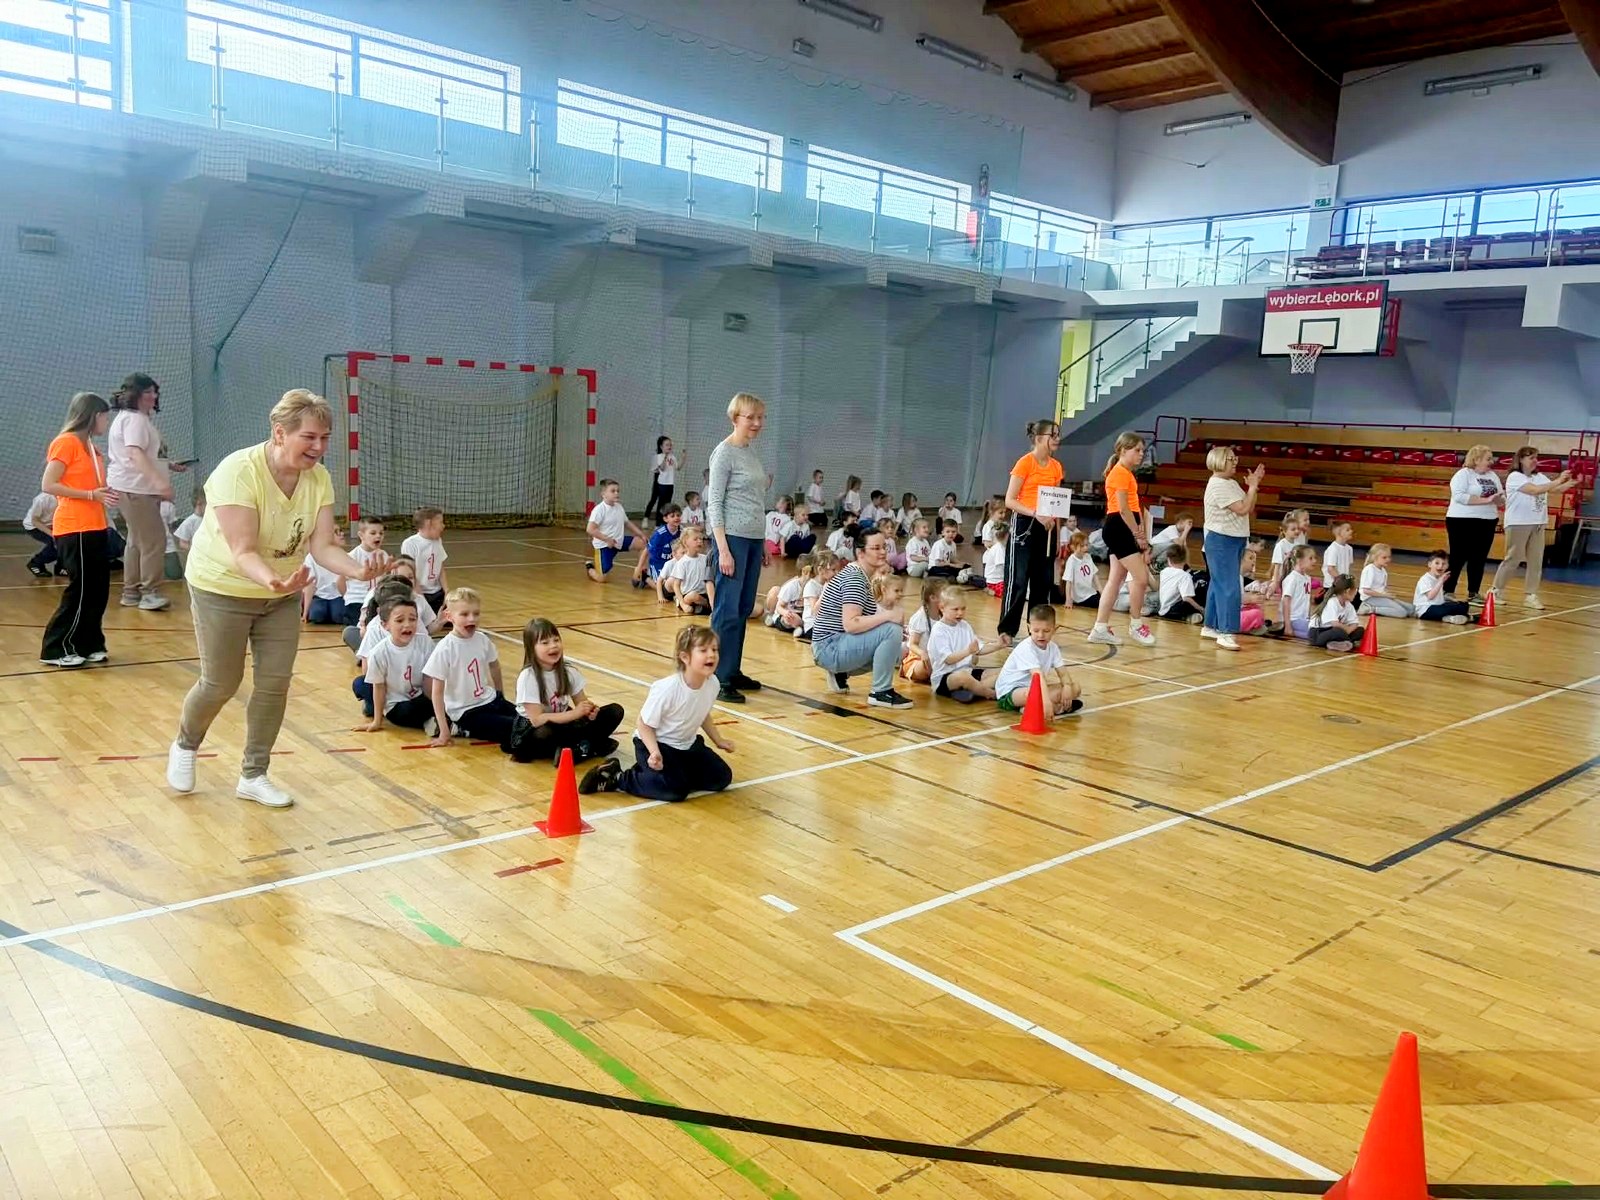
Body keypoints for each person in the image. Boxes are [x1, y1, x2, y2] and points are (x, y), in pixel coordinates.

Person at [167, 389, 389, 807]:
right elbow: (242, 551)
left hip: (281, 593)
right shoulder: (238, 471)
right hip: (223, 588)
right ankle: (185, 743)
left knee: (274, 683)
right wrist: (273, 580)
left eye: (325, 438)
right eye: (310, 437)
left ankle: (254, 774)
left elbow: (322, 546)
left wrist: (358, 570)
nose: (319, 447)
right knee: (221, 682)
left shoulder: (318, 478)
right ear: (280, 433)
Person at [578, 625, 734, 802]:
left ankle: (663, 775)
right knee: (675, 791)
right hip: (655, 744)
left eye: (714, 649)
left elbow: (702, 712)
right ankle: (618, 777)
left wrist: (719, 740)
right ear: (685, 657)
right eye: (703, 650)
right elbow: (643, 724)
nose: (711, 655)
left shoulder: (713, 683)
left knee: (721, 777)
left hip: (685, 745)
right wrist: (654, 752)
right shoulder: (668, 689)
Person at [39, 392, 117, 668]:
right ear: (93, 415)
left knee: (98, 590)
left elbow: (91, 486)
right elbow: (49, 484)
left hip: (96, 525)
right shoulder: (66, 442)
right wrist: (91, 495)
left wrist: (104, 493)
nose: (107, 422)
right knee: (81, 590)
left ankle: (88, 643)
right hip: (75, 528)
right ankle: (55, 647)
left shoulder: (92, 449)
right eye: (105, 417)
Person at [706, 392, 771, 703]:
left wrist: (763, 540)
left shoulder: (750, 452)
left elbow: (755, 500)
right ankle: (718, 677)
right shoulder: (724, 453)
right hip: (731, 538)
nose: (757, 423)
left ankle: (732, 669)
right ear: (735, 419)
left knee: (743, 608)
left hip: (753, 539)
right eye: (751, 417)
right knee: (727, 610)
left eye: (760, 417)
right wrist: (723, 549)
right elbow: (714, 503)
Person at [106, 373, 182, 611]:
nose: (153, 396)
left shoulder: (130, 418)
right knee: (154, 540)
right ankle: (149, 592)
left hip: (130, 487)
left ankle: (131, 592)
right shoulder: (135, 420)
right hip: (136, 489)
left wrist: (167, 465)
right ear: (135, 394)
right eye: (147, 392)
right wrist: (161, 484)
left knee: (136, 541)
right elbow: (134, 454)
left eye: (154, 391)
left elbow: (141, 453)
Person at [811, 528, 910, 708]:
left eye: (884, 547)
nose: (882, 552)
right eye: (876, 548)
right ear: (860, 553)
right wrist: (889, 616)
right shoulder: (855, 579)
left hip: (831, 645)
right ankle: (880, 692)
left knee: (896, 645)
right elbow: (851, 624)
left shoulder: (860, 575)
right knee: (891, 630)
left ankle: (841, 674)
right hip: (829, 648)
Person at [507, 617, 624, 765]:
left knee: (615, 711)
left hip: (564, 723)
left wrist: (590, 712)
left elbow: (582, 703)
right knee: (545, 732)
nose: (553, 646)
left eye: (556, 640)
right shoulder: (528, 677)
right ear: (531, 648)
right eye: (545, 642)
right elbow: (537, 720)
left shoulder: (568, 671)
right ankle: (587, 747)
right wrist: (574, 714)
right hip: (533, 730)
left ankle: (578, 749)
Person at [424, 586, 518, 747]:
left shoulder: (482, 639)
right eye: (464, 614)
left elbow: (495, 665)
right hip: (466, 711)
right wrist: (444, 731)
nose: (472, 619)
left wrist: (500, 693)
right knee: (514, 728)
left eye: (476, 613)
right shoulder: (445, 649)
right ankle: (457, 727)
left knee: (528, 719)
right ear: (449, 616)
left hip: (490, 699)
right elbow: (437, 693)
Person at [997, 419, 1064, 642]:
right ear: (1039, 438)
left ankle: (1037, 631)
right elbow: (1009, 500)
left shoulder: (1056, 467)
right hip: (1025, 525)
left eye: (1058, 434)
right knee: (1017, 581)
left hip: (1048, 528)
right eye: (1053, 435)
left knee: (1042, 582)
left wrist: (1057, 534)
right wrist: (1035, 513)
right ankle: (1007, 631)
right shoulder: (1025, 463)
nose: (1057, 439)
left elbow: (1056, 504)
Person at [1089, 432, 1156, 647]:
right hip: (1119, 527)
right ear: (1123, 450)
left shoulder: (1127, 474)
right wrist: (1138, 534)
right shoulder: (1119, 473)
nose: (1141, 454)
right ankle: (1136, 625)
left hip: (1123, 527)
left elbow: (1134, 507)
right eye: (1137, 450)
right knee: (1141, 578)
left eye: (1142, 450)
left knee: (1115, 580)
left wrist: (1140, 528)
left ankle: (1100, 628)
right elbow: (1124, 509)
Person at [1491, 447, 1576, 610]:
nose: (1535, 461)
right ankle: (1496, 590)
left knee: (1536, 561)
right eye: (1531, 457)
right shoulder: (1515, 477)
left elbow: (1553, 489)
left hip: (1538, 523)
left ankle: (1531, 594)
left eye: (1536, 457)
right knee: (1513, 558)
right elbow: (1535, 490)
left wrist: (1569, 482)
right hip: (1518, 523)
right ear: (1521, 460)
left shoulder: (1539, 476)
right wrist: (1558, 479)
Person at [1202, 445, 1263, 653]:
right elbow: (1243, 508)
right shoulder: (1218, 485)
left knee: (1218, 584)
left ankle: (1210, 625)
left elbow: (1249, 506)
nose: (1235, 462)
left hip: (1233, 539)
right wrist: (1252, 487)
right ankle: (1226, 632)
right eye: (1231, 459)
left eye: (1235, 458)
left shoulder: (1230, 483)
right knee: (1229, 586)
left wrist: (1254, 487)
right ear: (1219, 461)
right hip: (1221, 540)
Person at [351, 595, 436, 733]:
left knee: (443, 698)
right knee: (405, 712)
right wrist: (377, 722)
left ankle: (437, 721)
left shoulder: (425, 642)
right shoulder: (379, 653)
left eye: (413, 619)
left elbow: (430, 681)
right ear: (385, 625)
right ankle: (437, 722)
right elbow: (378, 687)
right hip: (397, 704)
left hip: (420, 696)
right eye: (400, 620)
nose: (407, 624)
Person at [995, 604, 1081, 717]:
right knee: (1036, 694)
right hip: (1009, 693)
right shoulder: (1026, 647)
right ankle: (1048, 707)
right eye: (1036, 630)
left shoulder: (1053, 648)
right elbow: (1038, 676)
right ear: (1029, 628)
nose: (1041, 635)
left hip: (1034, 688)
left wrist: (1067, 687)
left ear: (1054, 629)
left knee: (1076, 688)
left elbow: (1063, 673)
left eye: (1046, 631)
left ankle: (1033, 707)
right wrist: (1046, 702)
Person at [1444, 444, 1504, 604]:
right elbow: (1459, 496)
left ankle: (1473, 592)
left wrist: (1499, 500)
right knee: (1458, 556)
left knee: (1479, 558)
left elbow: (1501, 497)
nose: (1491, 462)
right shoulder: (1463, 474)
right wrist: (1486, 500)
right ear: (1476, 459)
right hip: (1461, 520)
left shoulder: (1493, 476)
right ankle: (1448, 590)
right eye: (1488, 459)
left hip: (1487, 521)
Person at [926, 587, 1002, 702]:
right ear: (942, 608)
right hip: (945, 677)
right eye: (955, 609)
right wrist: (968, 651)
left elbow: (978, 649)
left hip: (968, 671)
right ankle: (989, 693)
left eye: (963, 608)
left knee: (1002, 671)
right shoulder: (939, 630)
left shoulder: (965, 625)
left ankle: (973, 690)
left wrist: (999, 645)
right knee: (962, 677)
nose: (960, 613)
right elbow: (948, 660)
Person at [585, 479, 649, 585]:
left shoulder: (619, 507)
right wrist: (607, 539)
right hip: (604, 546)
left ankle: (641, 573)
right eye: (613, 491)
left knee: (643, 544)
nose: (616, 493)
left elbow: (627, 523)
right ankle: (590, 568)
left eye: (618, 491)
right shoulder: (599, 510)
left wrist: (641, 534)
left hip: (619, 541)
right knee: (602, 579)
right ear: (603, 494)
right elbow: (590, 529)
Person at [401, 506, 450, 615]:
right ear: (429, 523)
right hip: (419, 593)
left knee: (450, 618)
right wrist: (421, 598)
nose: (443, 526)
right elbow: (409, 574)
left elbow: (440, 567)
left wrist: (446, 591)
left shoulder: (438, 541)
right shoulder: (410, 544)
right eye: (440, 522)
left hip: (437, 593)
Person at [658, 527, 715, 613]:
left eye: (701, 539)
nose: (700, 541)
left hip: (704, 595)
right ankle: (705, 608)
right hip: (687, 596)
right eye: (695, 539)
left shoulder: (705, 558)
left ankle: (704, 607)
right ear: (685, 542)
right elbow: (676, 586)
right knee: (692, 596)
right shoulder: (682, 562)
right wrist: (683, 604)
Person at [345, 515, 385, 625]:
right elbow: (341, 582)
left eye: (381, 533)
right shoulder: (352, 556)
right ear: (361, 535)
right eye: (373, 533)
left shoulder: (383, 555)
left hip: (376, 600)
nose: (378, 536)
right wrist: (348, 597)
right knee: (361, 625)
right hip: (357, 600)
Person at [1357, 543, 1414, 618]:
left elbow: (1381, 587)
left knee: (1411, 609)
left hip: (1380, 596)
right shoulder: (1370, 569)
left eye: (1389, 557)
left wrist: (1387, 595)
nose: (1388, 560)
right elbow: (1366, 591)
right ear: (1375, 557)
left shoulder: (1383, 570)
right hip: (1370, 598)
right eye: (1384, 557)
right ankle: (1369, 609)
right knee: (1402, 612)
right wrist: (1385, 595)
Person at [1414, 551, 1474, 623]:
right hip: (1425, 610)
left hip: (1438, 606)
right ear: (1429, 564)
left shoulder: (1439, 577)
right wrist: (1440, 581)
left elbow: (1439, 595)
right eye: (1437, 563)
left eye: (1443, 564)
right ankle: (1454, 617)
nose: (1440, 566)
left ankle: (1448, 617)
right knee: (1446, 609)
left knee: (1463, 605)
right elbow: (1430, 596)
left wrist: (1452, 599)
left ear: (1447, 566)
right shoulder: (1425, 579)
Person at [1311, 575, 1362, 653]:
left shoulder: (1348, 605)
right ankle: (1346, 642)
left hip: (1338, 631)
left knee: (1360, 630)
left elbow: (1355, 623)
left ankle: (1338, 642)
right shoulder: (1332, 602)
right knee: (1338, 631)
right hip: (1318, 633)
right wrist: (1346, 629)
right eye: (1355, 590)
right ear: (1347, 591)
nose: (1356, 593)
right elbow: (1335, 624)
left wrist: (1349, 630)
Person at [800, 549, 840, 642]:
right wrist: (826, 591)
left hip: (826, 624)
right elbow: (815, 611)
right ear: (821, 570)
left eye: (838, 570)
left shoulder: (830, 583)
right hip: (813, 627)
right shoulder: (811, 586)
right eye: (833, 570)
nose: (837, 573)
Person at [763, 554, 810, 633]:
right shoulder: (791, 586)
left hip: (800, 615)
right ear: (805, 572)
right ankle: (773, 617)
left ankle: (800, 627)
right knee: (790, 618)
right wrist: (785, 613)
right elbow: (779, 606)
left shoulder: (813, 585)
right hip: (787, 614)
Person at [1158, 544, 1205, 623]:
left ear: (1168, 560)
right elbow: (1186, 598)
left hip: (1163, 610)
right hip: (1174, 610)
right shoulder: (1185, 576)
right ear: (1185, 560)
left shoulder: (1163, 572)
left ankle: (1187, 617)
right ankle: (1192, 615)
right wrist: (1201, 608)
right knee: (1200, 591)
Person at [1282, 545, 1318, 639]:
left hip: (1302, 620)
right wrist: (1287, 625)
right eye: (1311, 558)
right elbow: (1286, 602)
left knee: (1319, 628)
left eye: (1315, 558)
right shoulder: (1292, 578)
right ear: (1299, 560)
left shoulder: (1307, 578)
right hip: (1293, 620)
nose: (1315, 561)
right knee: (1317, 631)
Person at [644, 435, 684, 522]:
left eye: (670, 445)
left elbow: (678, 467)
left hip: (670, 484)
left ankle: (665, 521)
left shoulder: (672, 457)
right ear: (661, 447)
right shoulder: (658, 457)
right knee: (658, 502)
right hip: (661, 483)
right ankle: (656, 522)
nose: (669, 446)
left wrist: (683, 458)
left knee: (667, 504)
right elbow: (662, 468)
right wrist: (665, 457)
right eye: (667, 445)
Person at [23, 490, 61, 578]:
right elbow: (35, 521)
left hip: (53, 525)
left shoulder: (68, 497)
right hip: (34, 527)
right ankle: (36, 563)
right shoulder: (42, 499)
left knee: (69, 541)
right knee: (56, 543)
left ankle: (61, 567)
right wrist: (52, 534)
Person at [1062, 530, 1101, 609]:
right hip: (1080, 597)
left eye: (1086, 545)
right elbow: (1068, 582)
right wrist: (1068, 599)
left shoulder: (1088, 557)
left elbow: (1095, 576)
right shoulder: (1072, 561)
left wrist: (1101, 591)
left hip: (1089, 592)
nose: (1085, 548)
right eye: (1082, 546)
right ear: (1073, 547)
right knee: (1101, 602)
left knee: (1107, 597)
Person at [1322, 520, 1355, 591]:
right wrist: (1341, 581)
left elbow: (1349, 567)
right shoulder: (1333, 549)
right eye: (1347, 530)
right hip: (1332, 586)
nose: (1351, 531)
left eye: (1351, 529)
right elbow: (1331, 569)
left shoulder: (1349, 548)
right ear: (1339, 533)